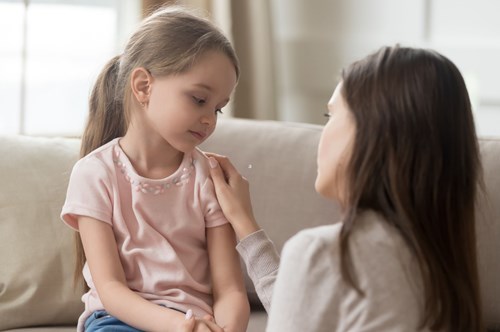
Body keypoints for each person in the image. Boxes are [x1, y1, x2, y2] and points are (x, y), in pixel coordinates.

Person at [208, 45, 483, 331]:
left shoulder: (323, 252)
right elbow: (309, 311)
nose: (321, 135)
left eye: (330, 116)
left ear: (372, 133)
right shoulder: (443, 263)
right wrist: (245, 225)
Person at [60, 6, 249, 332]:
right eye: (199, 99)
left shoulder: (208, 176)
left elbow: (230, 288)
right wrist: (181, 326)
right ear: (144, 86)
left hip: (197, 322)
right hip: (116, 320)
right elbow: (112, 290)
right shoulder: (94, 174)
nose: (210, 120)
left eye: (218, 108)